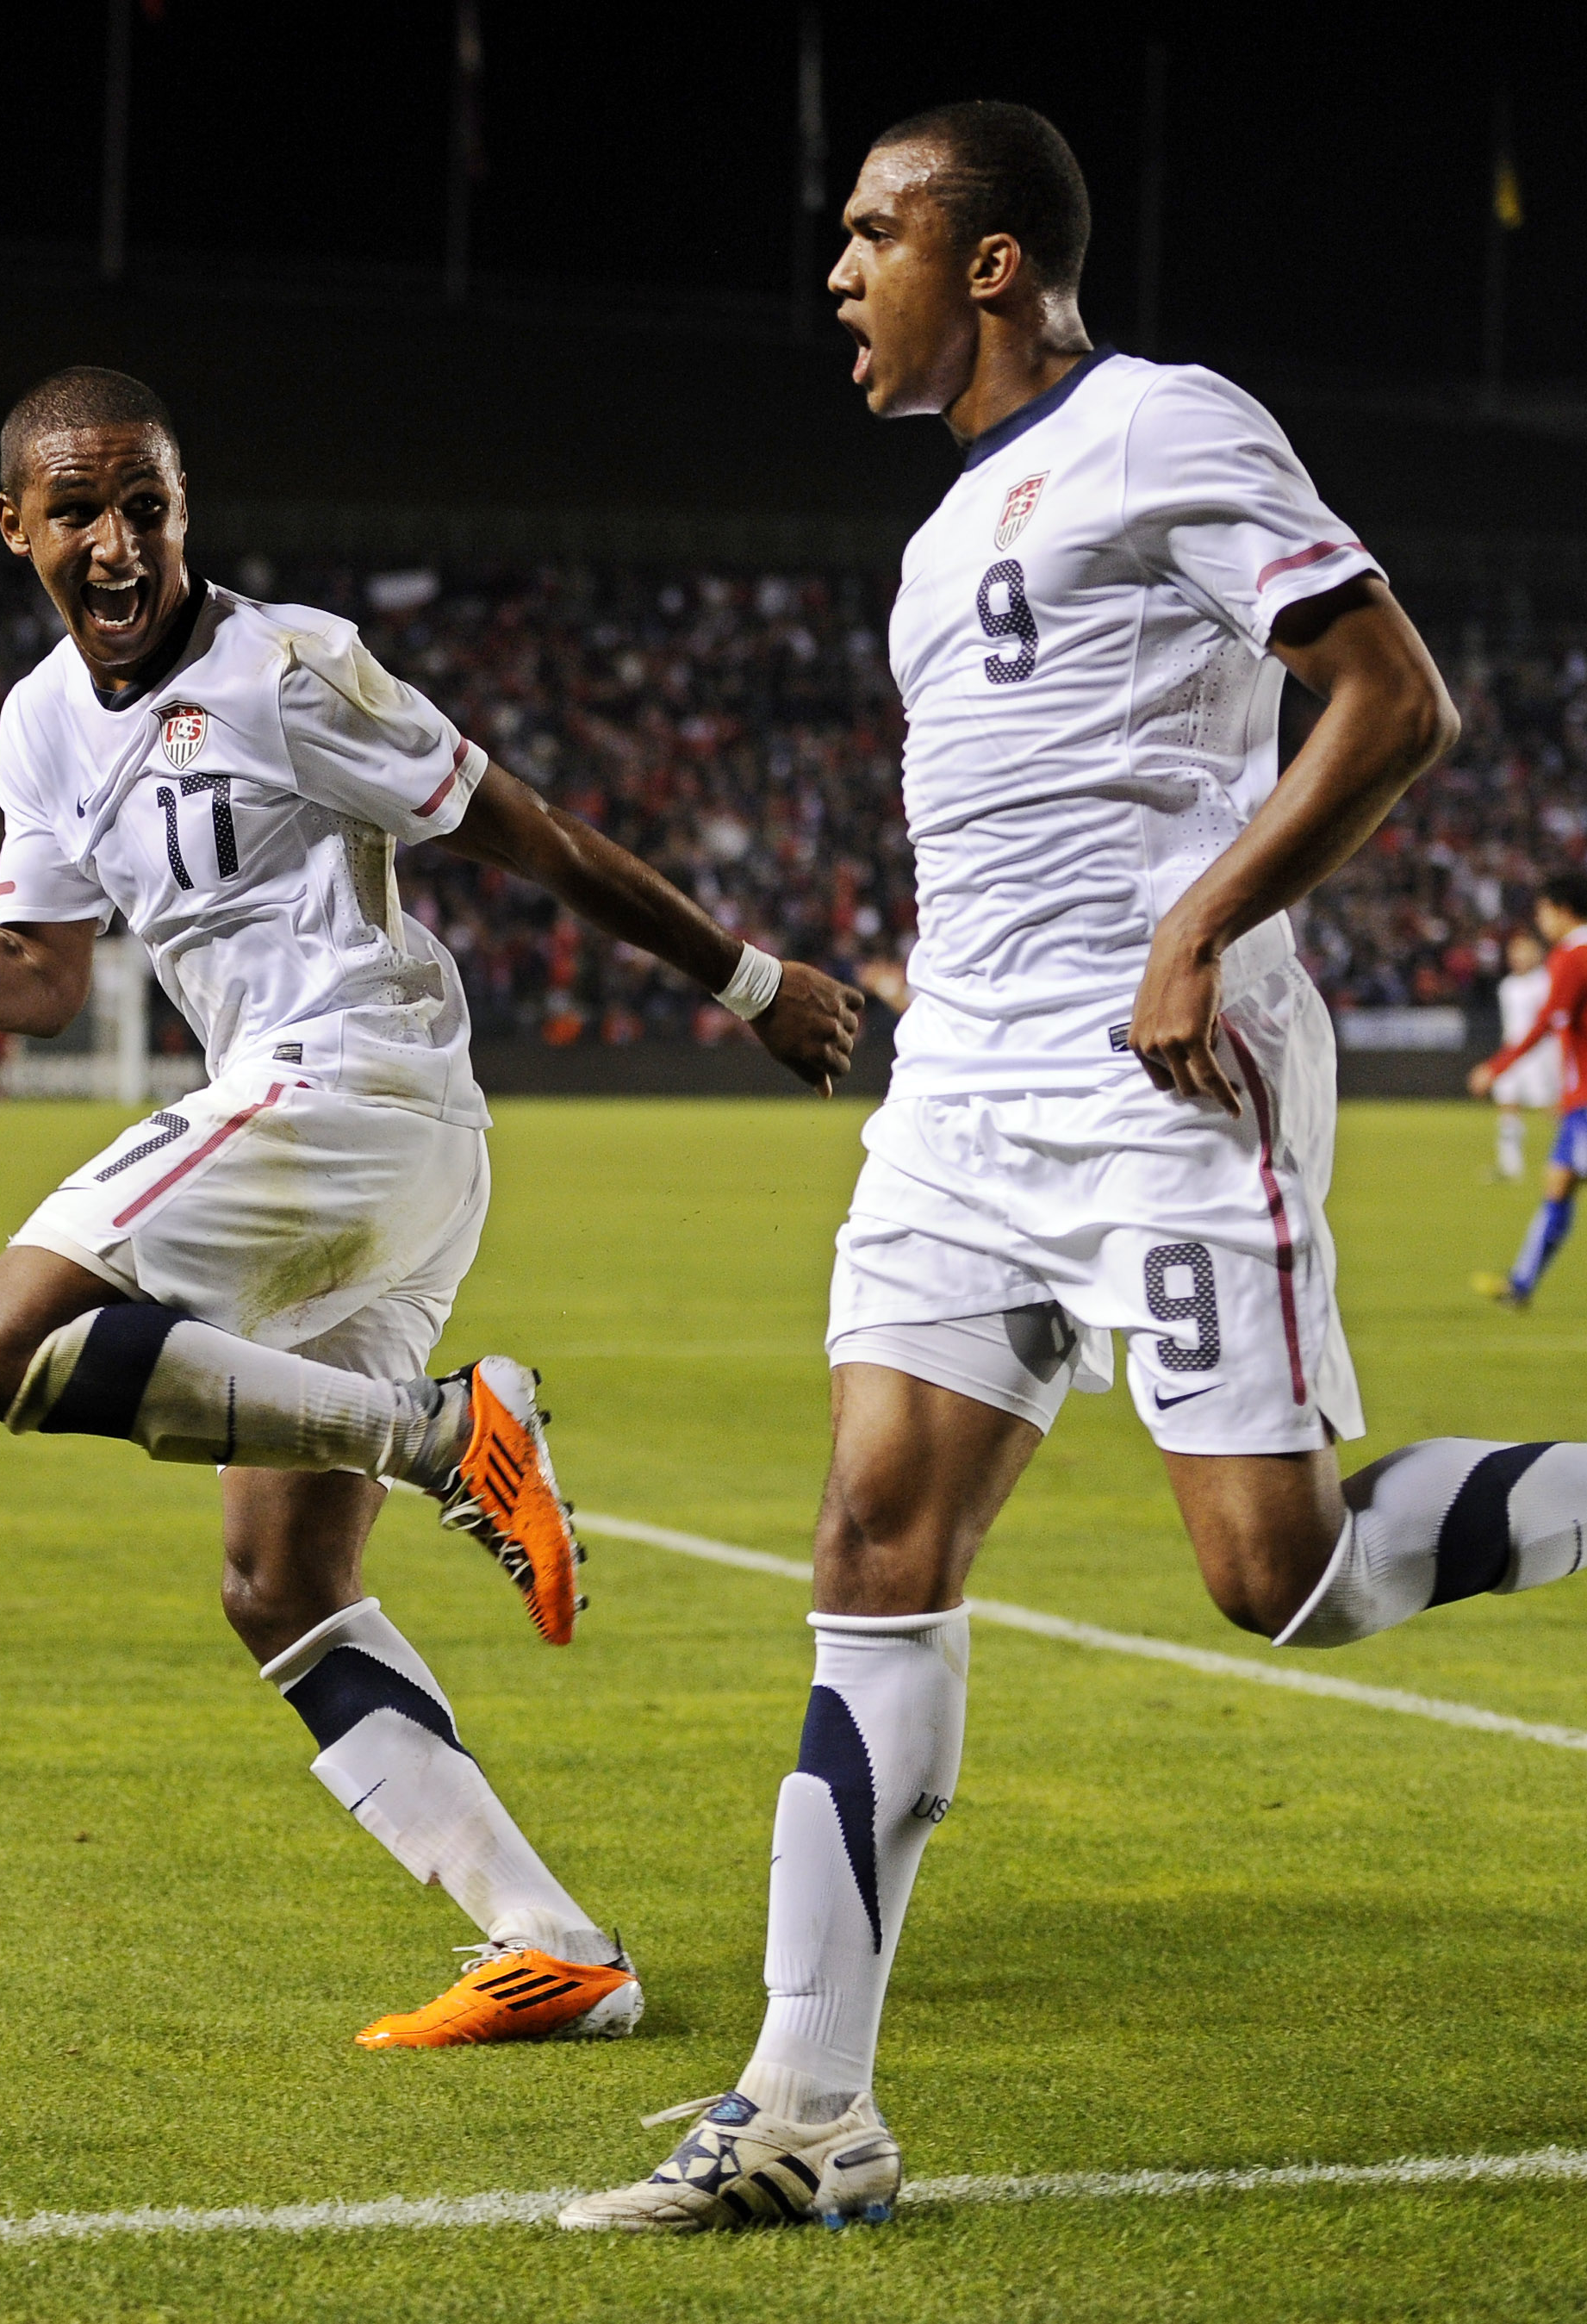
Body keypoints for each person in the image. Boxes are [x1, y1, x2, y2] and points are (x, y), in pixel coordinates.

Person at [562, 102, 1587, 2234]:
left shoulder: (1165, 423)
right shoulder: (944, 536)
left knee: (1273, 1577)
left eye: (874, 234)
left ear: (996, 260)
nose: (840, 273)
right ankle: (806, 2107)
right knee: (871, 1533)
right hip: (963, 1098)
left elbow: (1394, 702)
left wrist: (1194, 925)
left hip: (1162, 1076)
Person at [0, 365, 862, 2053]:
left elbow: (537, 835)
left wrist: (747, 979)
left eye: (148, 502)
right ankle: (555, 1941)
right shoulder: (41, 722)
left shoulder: (293, 668)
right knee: (279, 1583)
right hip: (331, 1151)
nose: (120, 541)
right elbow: (41, 979)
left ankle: (449, 1435)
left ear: (188, 505)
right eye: (80, 510)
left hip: (356, 1093)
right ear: (15, 527)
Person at [1469, 873, 1587, 1305]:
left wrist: (1496, 1067)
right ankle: (1521, 1285)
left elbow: (1546, 1024)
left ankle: (1521, 1284)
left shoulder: (1573, 956)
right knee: (1557, 1184)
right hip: (1578, 1102)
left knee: (1559, 1184)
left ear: (1560, 908)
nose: (1540, 921)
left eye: (1542, 911)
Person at [1486, 926, 1559, 1182]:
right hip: (1511, 1055)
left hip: (1539, 1056)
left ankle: (1579, 1149)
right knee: (1507, 1103)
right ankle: (1510, 1166)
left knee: (1550, 1107)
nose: (1517, 956)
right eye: (1514, 952)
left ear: (1536, 954)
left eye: (1523, 951)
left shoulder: (1545, 981)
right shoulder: (1507, 986)